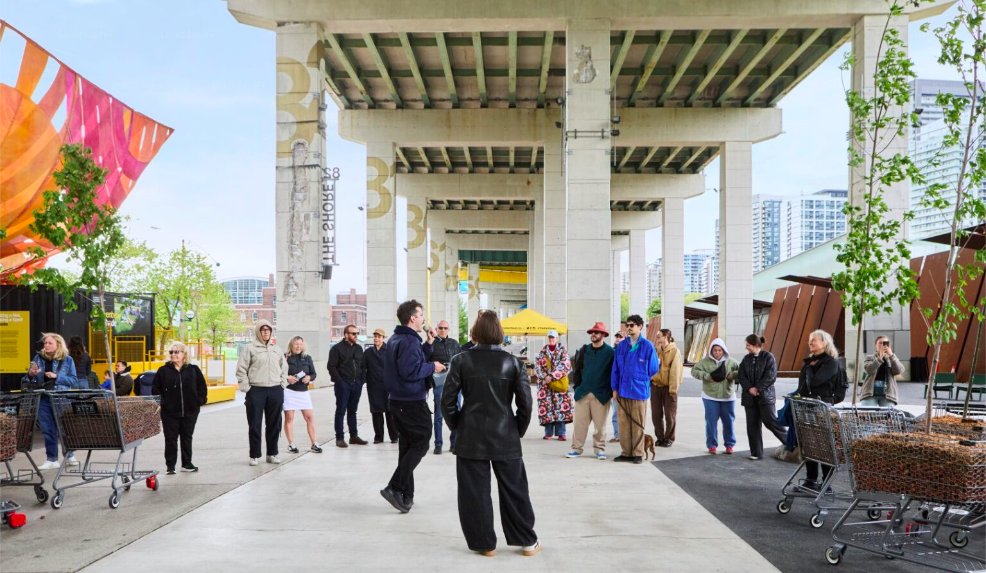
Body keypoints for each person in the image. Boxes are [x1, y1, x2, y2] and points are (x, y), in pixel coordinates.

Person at [441, 310, 541, 558]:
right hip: (505, 434)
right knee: (515, 489)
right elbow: (526, 406)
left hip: (470, 436)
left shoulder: (460, 360)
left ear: (474, 333)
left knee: (474, 492)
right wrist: (515, 430)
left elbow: (447, 402)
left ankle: (484, 544)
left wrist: (458, 426)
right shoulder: (514, 362)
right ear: (499, 333)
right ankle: (526, 541)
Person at [380, 299, 446, 513]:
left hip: (398, 401)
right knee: (421, 443)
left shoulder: (398, 339)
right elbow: (410, 371)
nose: (424, 319)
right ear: (412, 318)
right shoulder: (408, 341)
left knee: (407, 446)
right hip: (410, 402)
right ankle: (395, 486)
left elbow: (410, 364)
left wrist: (427, 345)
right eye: (421, 315)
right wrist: (433, 366)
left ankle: (405, 495)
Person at [22, 333, 84, 470]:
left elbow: (73, 380)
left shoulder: (67, 360)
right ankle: (52, 459)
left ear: (58, 345)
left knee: (63, 427)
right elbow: (28, 379)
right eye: (45, 343)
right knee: (47, 429)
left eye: (50, 343)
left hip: (60, 397)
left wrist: (57, 377)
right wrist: (31, 374)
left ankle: (69, 454)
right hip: (43, 397)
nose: (46, 345)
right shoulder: (38, 358)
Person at [236, 320, 288, 466]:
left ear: (271, 332)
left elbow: (284, 368)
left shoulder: (276, 349)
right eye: (263, 329)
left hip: (275, 389)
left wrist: (282, 385)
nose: (265, 332)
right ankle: (254, 455)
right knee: (254, 424)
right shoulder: (249, 348)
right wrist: (247, 388)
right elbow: (241, 369)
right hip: (256, 390)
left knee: (274, 424)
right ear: (258, 331)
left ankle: (272, 453)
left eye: (268, 330)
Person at [795, 329, 842, 490]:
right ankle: (811, 479)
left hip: (821, 408)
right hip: (807, 406)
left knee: (823, 445)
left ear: (824, 343)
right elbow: (802, 386)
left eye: (814, 340)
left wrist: (808, 367)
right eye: (810, 339)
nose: (810, 342)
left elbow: (816, 381)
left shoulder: (831, 362)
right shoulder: (810, 362)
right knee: (809, 444)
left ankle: (826, 483)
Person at [152, 342, 208, 474]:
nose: (173, 355)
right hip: (170, 412)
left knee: (187, 437)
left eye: (176, 352)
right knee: (170, 438)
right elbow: (155, 390)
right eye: (171, 352)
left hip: (190, 411)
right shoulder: (163, 371)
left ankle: (187, 464)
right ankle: (170, 466)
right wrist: (163, 404)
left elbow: (202, 387)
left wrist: (199, 401)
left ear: (184, 354)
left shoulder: (193, 369)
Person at [611, 315, 659, 464]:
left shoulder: (647, 346)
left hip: (639, 392)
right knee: (623, 423)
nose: (629, 327)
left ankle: (638, 453)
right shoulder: (621, 346)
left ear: (640, 326)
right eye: (627, 325)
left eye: (632, 325)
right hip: (622, 391)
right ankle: (626, 452)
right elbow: (615, 369)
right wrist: (614, 388)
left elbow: (653, 369)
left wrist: (639, 378)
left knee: (637, 424)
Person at [565, 322, 614, 460]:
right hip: (583, 393)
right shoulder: (584, 350)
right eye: (592, 332)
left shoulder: (610, 352)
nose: (593, 334)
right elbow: (577, 370)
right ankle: (576, 449)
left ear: (603, 335)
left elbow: (614, 373)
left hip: (601, 395)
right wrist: (577, 388)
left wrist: (610, 391)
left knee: (600, 426)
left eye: (596, 332)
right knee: (579, 425)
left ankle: (599, 449)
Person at [737, 335, 786, 461]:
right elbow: (741, 376)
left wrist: (757, 388)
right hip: (749, 398)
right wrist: (749, 388)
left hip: (765, 397)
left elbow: (771, 376)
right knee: (752, 425)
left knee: (771, 422)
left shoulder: (768, 357)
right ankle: (756, 453)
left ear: (755, 345)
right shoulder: (746, 359)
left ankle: (791, 443)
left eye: (748, 345)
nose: (746, 348)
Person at [691, 338, 740, 455]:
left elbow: (742, 371)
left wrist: (733, 375)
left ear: (724, 350)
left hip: (728, 397)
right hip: (710, 397)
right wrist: (707, 376)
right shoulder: (705, 362)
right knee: (711, 422)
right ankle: (712, 445)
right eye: (715, 350)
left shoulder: (732, 362)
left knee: (729, 421)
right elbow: (694, 371)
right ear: (711, 351)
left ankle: (729, 445)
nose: (717, 353)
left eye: (720, 350)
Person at [327, 324, 368, 448]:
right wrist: (340, 381)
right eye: (353, 333)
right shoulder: (336, 349)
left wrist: (361, 381)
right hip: (343, 385)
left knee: (353, 411)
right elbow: (331, 366)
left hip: (356, 384)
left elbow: (362, 366)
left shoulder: (359, 349)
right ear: (346, 335)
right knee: (341, 411)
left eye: (357, 333)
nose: (356, 336)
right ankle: (339, 438)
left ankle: (353, 436)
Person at [426, 319, 461, 454]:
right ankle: (438, 444)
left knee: (456, 413)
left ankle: (454, 443)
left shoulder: (454, 343)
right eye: (440, 328)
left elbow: (460, 362)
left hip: (455, 383)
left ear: (449, 329)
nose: (443, 330)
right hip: (439, 382)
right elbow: (426, 362)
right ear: (437, 328)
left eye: (445, 328)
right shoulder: (431, 344)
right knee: (439, 415)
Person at [283, 336, 322, 454]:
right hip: (289, 391)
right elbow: (279, 373)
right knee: (289, 417)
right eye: (296, 344)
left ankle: (314, 443)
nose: (298, 346)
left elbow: (314, 374)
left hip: (303, 392)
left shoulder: (307, 358)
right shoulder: (285, 357)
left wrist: (309, 378)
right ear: (291, 345)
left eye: (300, 344)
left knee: (309, 417)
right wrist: (287, 378)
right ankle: (291, 444)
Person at [533, 329, 573, 440]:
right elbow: (537, 367)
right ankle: (548, 433)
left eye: (553, 337)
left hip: (558, 383)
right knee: (547, 408)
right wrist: (544, 377)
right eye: (550, 337)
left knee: (561, 408)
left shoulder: (562, 351)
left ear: (557, 338)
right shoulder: (542, 352)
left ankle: (561, 433)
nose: (551, 339)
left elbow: (565, 365)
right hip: (545, 385)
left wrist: (552, 376)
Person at [651, 329, 682, 448]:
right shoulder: (655, 351)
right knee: (656, 414)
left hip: (669, 388)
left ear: (666, 337)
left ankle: (669, 438)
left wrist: (673, 390)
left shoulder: (674, 351)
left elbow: (676, 371)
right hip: (655, 386)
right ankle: (660, 437)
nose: (657, 338)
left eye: (659, 336)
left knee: (670, 415)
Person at [366, 328, 398, 444]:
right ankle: (378, 437)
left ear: (383, 338)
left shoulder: (390, 351)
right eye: (375, 336)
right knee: (376, 413)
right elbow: (364, 368)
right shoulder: (368, 352)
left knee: (390, 412)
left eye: (379, 336)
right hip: (374, 387)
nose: (376, 338)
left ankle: (394, 436)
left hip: (388, 387)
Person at [860, 335, 904, 407]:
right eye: (880, 343)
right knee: (868, 414)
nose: (882, 345)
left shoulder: (892, 358)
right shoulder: (870, 357)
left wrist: (891, 355)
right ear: (875, 345)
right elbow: (869, 370)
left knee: (887, 416)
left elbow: (899, 371)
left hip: (888, 394)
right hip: (870, 393)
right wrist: (879, 358)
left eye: (885, 343)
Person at [608, 331, 625, 443]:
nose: (618, 339)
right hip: (612, 388)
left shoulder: (626, 352)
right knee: (615, 413)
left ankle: (624, 435)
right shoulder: (611, 351)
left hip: (623, 388)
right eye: (617, 337)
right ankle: (618, 435)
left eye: (620, 337)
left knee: (623, 413)